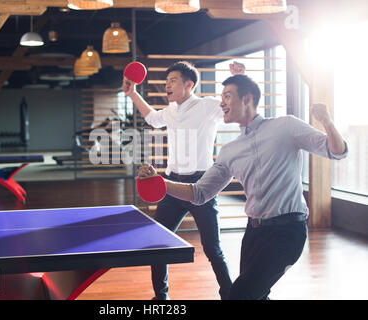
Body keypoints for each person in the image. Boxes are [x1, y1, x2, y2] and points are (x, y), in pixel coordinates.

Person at [137, 74, 348, 300]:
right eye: (221, 97)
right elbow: (199, 193)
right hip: (253, 233)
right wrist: (159, 182)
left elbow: (337, 151)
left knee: (240, 295)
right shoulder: (230, 151)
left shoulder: (286, 126)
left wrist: (326, 120)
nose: (222, 103)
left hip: (287, 232)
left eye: (227, 96)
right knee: (256, 295)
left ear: (247, 99)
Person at [123, 61, 244, 300]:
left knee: (212, 248)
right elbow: (152, 118)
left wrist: (240, 78)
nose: (167, 85)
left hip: (201, 186)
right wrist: (132, 93)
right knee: (158, 244)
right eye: (167, 81)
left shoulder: (208, 105)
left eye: (173, 81)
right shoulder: (171, 110)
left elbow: (235, 107)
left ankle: (230, 295)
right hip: (171, 185)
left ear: (189, 84)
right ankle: (161, 297)